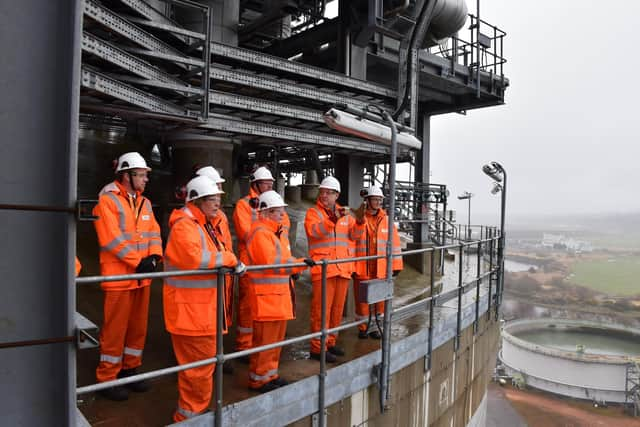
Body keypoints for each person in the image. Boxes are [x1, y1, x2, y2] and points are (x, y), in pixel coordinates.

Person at [163, 176, 245, 422]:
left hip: (202, 312)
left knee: (203, 367)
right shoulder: (184, 226)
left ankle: (196, 413)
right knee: (197, 371)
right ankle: (188, 418)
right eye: (212, 199)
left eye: (219, 198)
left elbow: (216, 252)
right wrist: (230, 260)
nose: (217, 203)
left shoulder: (202, 224)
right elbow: (196, 259)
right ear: (197, 200)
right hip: (191, 314)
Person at [92, 152, 162, 401]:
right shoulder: (108, 200)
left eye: (145, 175)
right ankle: (106, 379)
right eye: (141, 175)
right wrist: (138, 261)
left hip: (141, 277)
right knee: (115, 330)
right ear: (126, 175)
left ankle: (129, 370)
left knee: (137, 328)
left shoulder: (145, 203)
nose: (146, 179)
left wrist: (154, 257)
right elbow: (111, 238)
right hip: (119, 278)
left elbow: (154, 232)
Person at [245, 191, 312, 392]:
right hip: (266, 297)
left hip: (278, 296)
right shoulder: (259, 233)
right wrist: (299, 265)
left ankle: (270, 375)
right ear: (266, 212)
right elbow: (272, 264)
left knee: (274, 342)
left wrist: (297, 265)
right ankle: (258, 379)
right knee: (265, 342)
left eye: (282, 210)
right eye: (278, 211)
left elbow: (284, 260)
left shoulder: (277, 232)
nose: (283, 214)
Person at [304, 176, 364, 362]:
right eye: (322, 192)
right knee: (321, 311)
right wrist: (332, 219)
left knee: (337, 310)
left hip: (343, 268)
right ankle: (317, 348)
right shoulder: (314, 213)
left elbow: (354, 236)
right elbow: (315, 232)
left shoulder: (344, 213)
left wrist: (361, 222)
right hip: (324, 269)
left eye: (328, 192)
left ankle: (330, 342)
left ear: (337, 195)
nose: (324, 195)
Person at [232, 166, 290, 357]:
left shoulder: (274, 202)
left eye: (271, 183)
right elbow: (245, 232)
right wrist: (265, 230)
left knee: (268, 310)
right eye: (265, 182)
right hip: (250, 261)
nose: (269, 185)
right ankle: (244, 346)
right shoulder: (244, 205)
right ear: (255, 184)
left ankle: (260, 347)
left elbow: (284, 226)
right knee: (248, 306)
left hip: (272, 259)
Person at [353, 186, 403, 339]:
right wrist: (351, 266)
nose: (378, 202)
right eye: (375, 199)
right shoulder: (357, 218)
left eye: (380, 199)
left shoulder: (387, 221)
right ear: (367, 201)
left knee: (379, 300)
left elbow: (394, 244)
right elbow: (351, 242)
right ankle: (363, 327)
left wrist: (396, 266)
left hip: (381, 268)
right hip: (362, 267)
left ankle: (375, 327)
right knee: (362, 301)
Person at [195, 166, 235, 338]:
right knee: (204, 321)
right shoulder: (193, 220)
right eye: (217, 187)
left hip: (222, 271)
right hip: (206, 277)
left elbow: (224, 244)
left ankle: (218, 353)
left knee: (220, 317)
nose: (220, 191)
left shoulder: (220, 216)